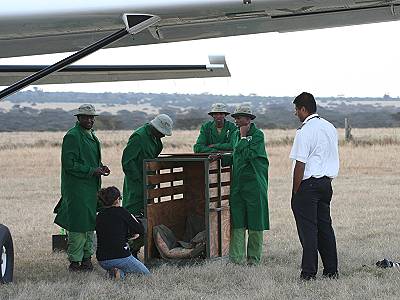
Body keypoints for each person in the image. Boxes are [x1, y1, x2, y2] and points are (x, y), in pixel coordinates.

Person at [54, 104, 110, 272]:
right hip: (77, 188)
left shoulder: (91, 135)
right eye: (85, 117)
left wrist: (100, 167)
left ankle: (87, 259)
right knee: (78, 225)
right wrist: (92, 170)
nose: (90, 120)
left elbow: (89, 159)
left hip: (90, 187)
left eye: (92, 117)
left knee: (89, 224)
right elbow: (69, 164)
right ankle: (75, 262)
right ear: (78, 118)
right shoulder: (72, 136)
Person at [290, 92, 339, 281]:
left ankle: (309, 273)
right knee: (325, 228)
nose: (296, 114)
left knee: (308, 230)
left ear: (304, 109)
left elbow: (300, 163)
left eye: (296, 110)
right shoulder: (330, 127)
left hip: (308, 185)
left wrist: (296, 192)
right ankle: (331, 270)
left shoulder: (305, 130)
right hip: (326, 184)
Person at [215, 104, 269, 265]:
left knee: (255, 221)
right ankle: (236, 259)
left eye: (239, 117)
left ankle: (253, 259)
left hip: (254, 184)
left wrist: (244, 138)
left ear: (249, 119)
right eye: (236, 117)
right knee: (237, 220)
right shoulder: (235, 135)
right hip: (238, 184)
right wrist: (219, 158)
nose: (236, 120)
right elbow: (235, 155)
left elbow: (247, 155)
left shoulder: (258, 135)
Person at [121, 114, 173, 257]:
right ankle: (127, 250)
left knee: (148, 217)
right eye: (162, 132)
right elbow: (127, 162)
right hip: (136, 187)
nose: (163, 136)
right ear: (155, 128)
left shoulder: (157, 141)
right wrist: (140, 180)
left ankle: (136, 249)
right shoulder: (138, 137)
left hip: (149, 185)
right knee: (133, 218)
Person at [96, 186, 150, 279]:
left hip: (102, 259)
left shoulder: (99, 215)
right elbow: (141, 229)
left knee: (122, 275)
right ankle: (116, 270)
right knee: (146, 274)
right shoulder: (121, 211)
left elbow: (111, 234)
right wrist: (134, 219)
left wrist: (128, 236)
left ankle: (116, 272)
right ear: (117, 200)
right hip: (121, 256)